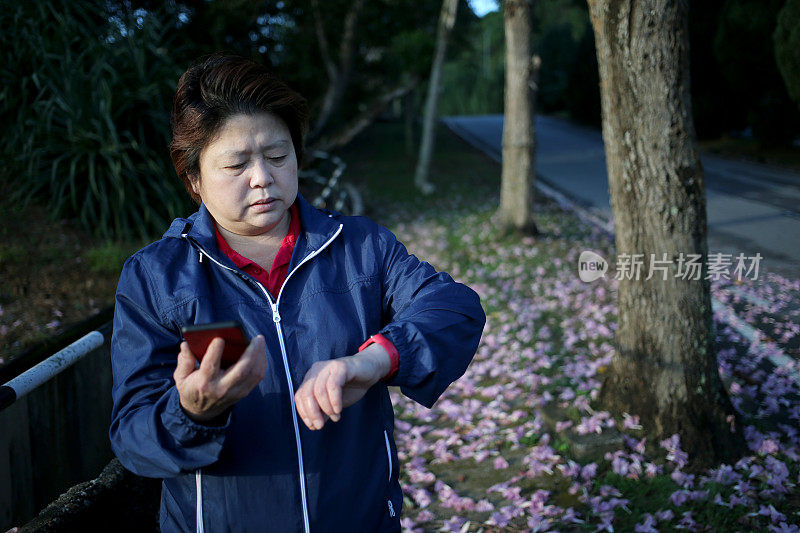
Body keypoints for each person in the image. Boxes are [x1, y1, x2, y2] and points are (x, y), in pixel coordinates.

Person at [109, 52, 485, 533]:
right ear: (194, 179)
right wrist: (190, 412)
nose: (263, 176)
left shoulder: (361, 247)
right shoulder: (156, 277)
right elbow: (132, 436)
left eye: (278, 156)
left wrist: (373, 361)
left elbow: (454, 307)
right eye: (236, 164)